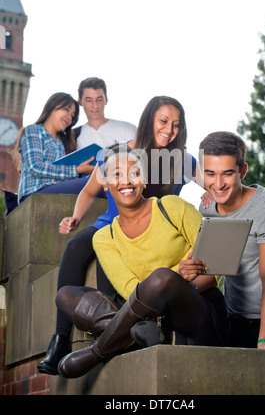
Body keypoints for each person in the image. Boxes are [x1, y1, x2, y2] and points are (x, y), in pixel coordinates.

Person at [38, 95, 206, 375]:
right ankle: (60, 341)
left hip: (155, 232)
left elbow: (212, 181)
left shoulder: (182, 161)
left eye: (177, 124)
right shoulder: (118, 153)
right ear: (149, 120)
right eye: (163, 121)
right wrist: (76, 217)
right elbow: (90, 190)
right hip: (111, 224)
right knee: (77, 247)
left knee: (114, 267)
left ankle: (115, 337)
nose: (169, 129)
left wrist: (212, 195)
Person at [56, 143, 229, 379]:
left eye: (134, 173)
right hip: (146, 314)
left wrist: (177, 282)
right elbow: (130, 289)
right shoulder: (105, 237)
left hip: (194, 307)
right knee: (65, 295)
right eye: (117, 174)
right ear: (105, 184)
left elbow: (218, 259)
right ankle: (141, 333)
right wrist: (180, 269)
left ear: (144, 180)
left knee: (161, 277)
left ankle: (99, 350)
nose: (126, 181)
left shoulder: (171, 207)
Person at [193, 131, 265, 386]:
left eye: (227, 173)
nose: (218, 184)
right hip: (233, 320)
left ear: (242, 171)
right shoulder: (207, 208)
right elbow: (214, 269)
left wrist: (264, 341)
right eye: (210, 174)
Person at [15, 92, 97, 205]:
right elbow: (35, 167)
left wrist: (85, 170)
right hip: (34, 191)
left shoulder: (62, 143)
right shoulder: (34, 130)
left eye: (72, 116)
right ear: (52, 106)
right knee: (96, 185)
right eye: (67, 110)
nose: (69, 117)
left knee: (102, 182)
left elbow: (64, 174)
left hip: (56, 189)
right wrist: (77, 170)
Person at [74, 77, 137, 149]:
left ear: (106, 100)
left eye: (99, 99)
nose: (95, 105)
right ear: (80, 101)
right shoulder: (73, 137)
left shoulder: (128, 130)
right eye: (88, 100)